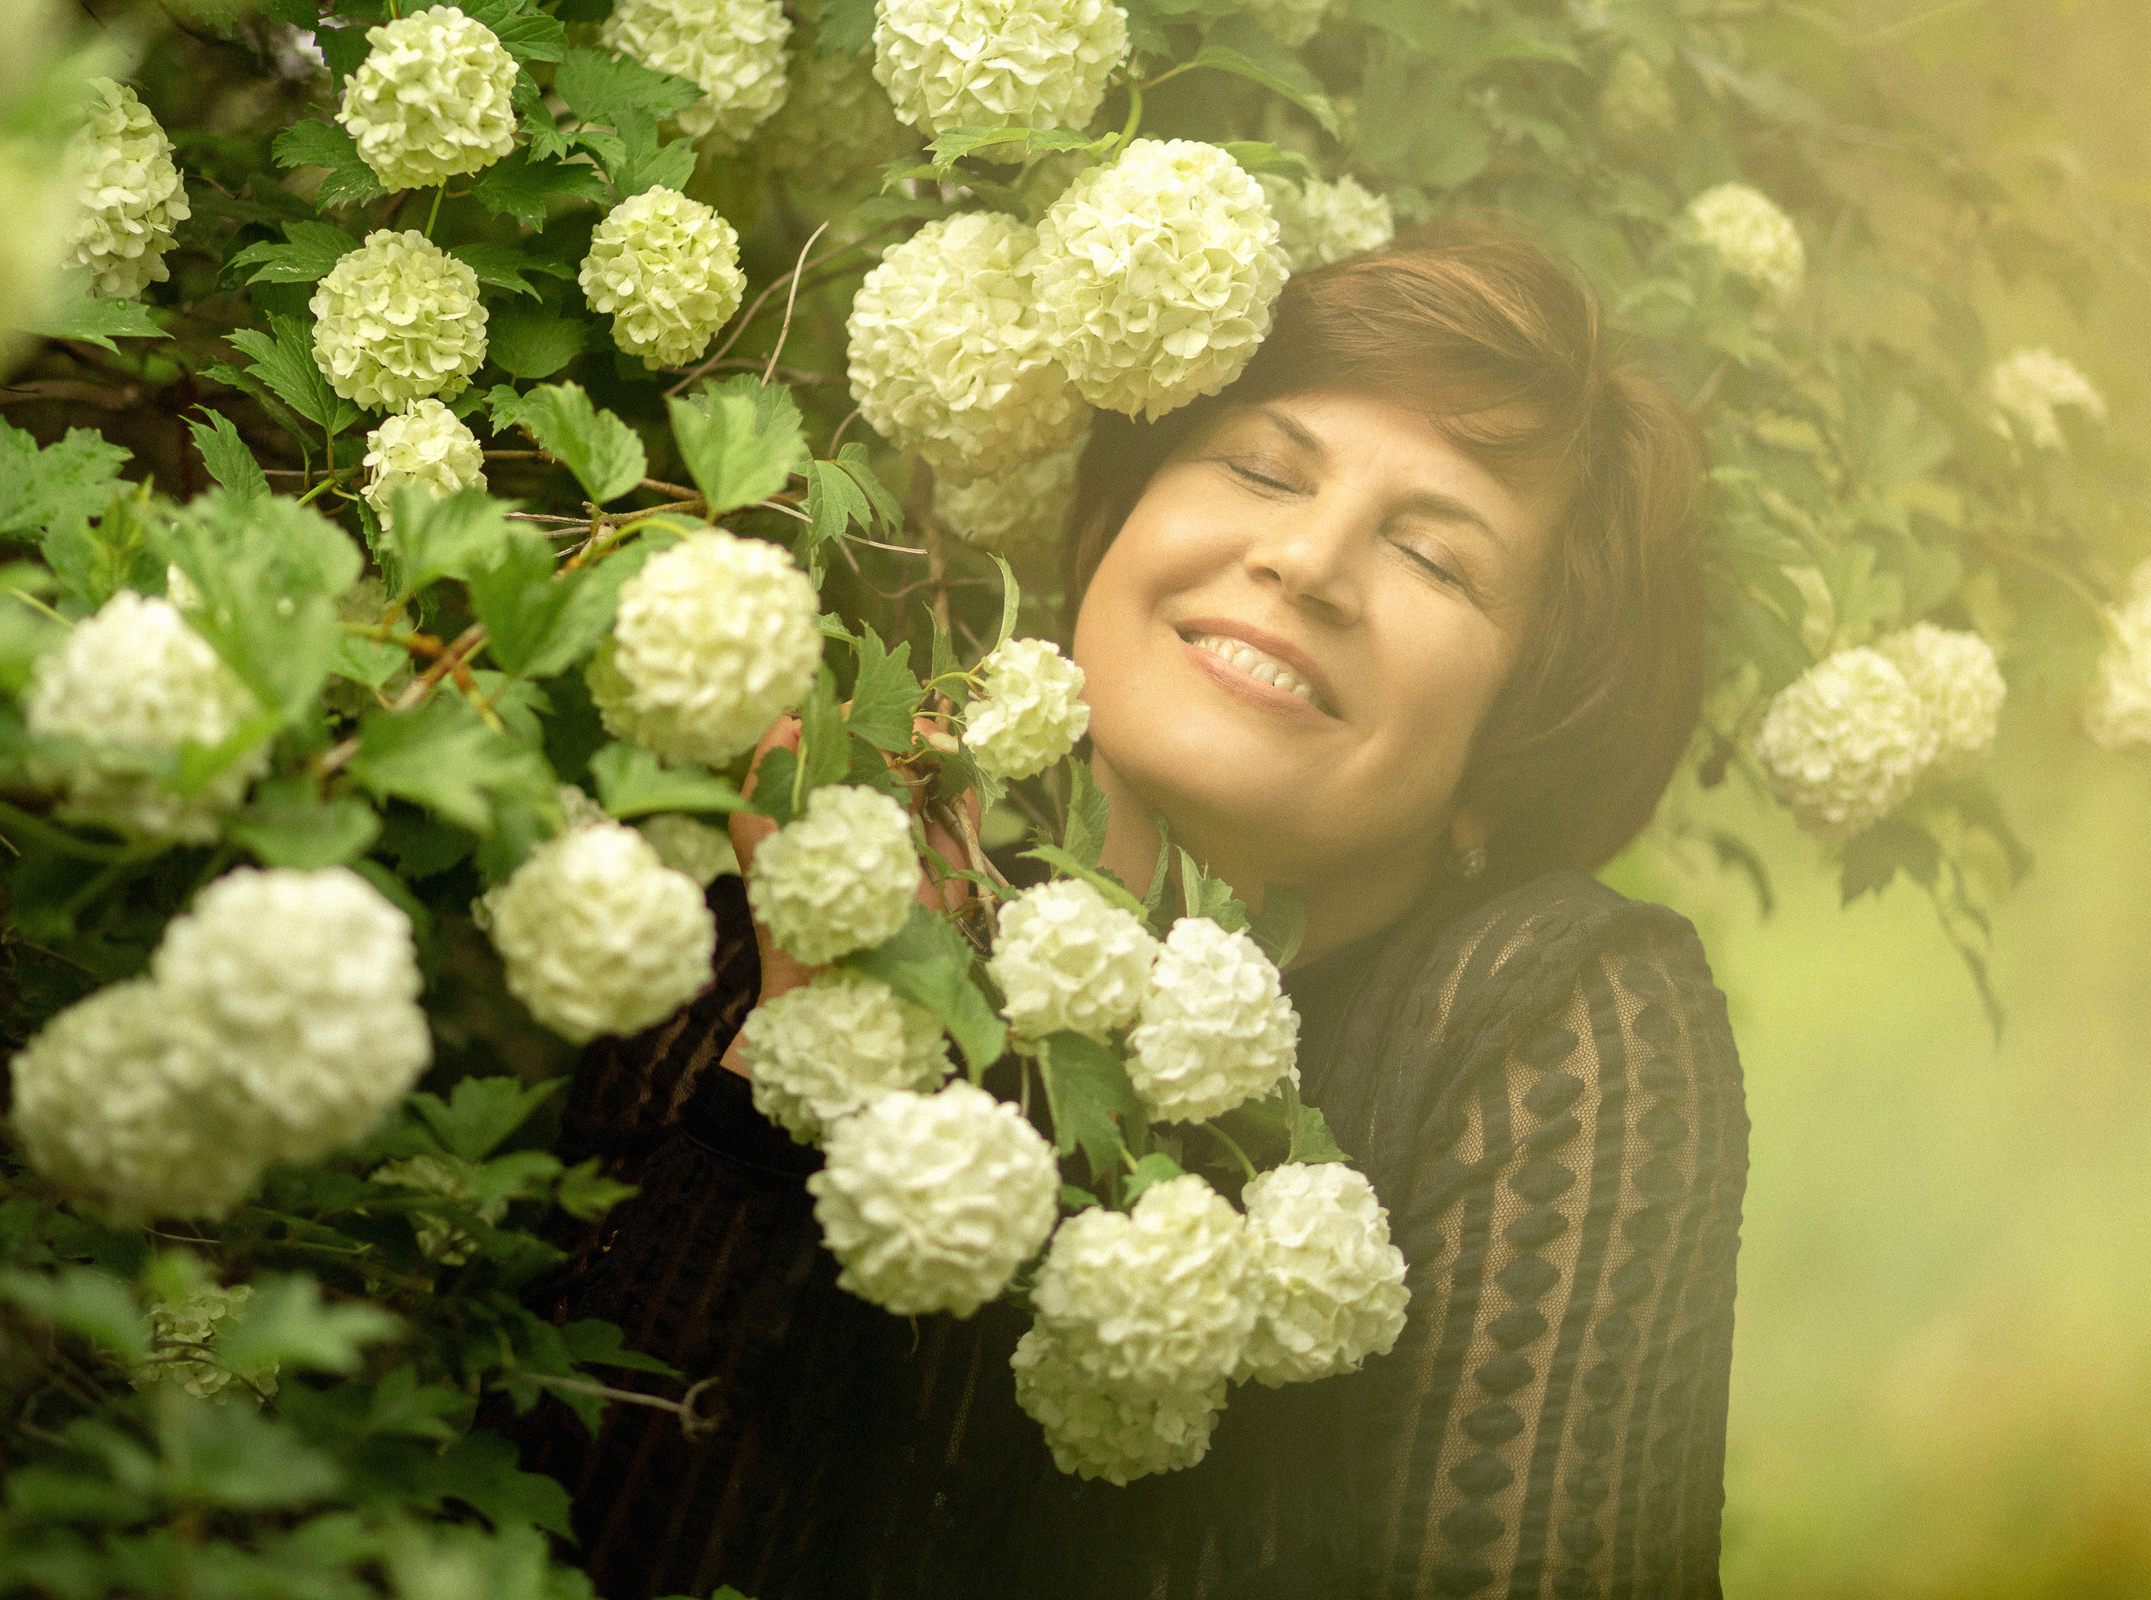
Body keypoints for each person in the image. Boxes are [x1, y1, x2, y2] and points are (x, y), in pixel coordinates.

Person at [518, 222, 1750, 1599]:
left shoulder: (1554, 1027)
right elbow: (557, 1539)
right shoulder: (798, 892)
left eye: (1437, 560)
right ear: (1111, 530)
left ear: (1512, 758)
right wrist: (811, 1047)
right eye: (1262, 468)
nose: (1308, 561)